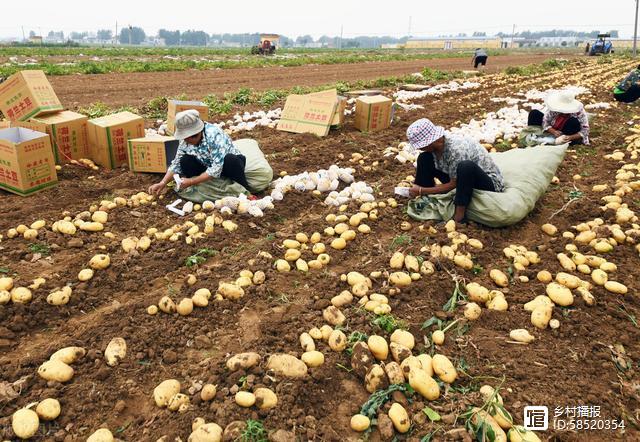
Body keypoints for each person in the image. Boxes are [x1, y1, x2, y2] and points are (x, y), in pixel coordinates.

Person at [407, 118, 505, 223]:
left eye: (421, 145)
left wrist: (422, 190)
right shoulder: (436, 148)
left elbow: (454, 184)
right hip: (458, 178)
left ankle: (459, 217)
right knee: (424, 158)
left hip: (487, 183)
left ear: (431, 141)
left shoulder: (456, 149)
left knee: (466, 166)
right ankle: (426, 198)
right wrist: (420, 189)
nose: (419, 148)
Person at [149, 110, 253, 198]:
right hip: (205, 163)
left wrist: (190, 181)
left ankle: (245, 192)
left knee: (230, 160)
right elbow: (176, 163)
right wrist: (162, 182)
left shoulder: (214, 135)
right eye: (185, 137)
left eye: (189, 137)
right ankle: (203, 187)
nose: (186, 141)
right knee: (185, 161)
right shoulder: (185, 141)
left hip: (227, 166)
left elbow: (216, 168)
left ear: (196, 133)